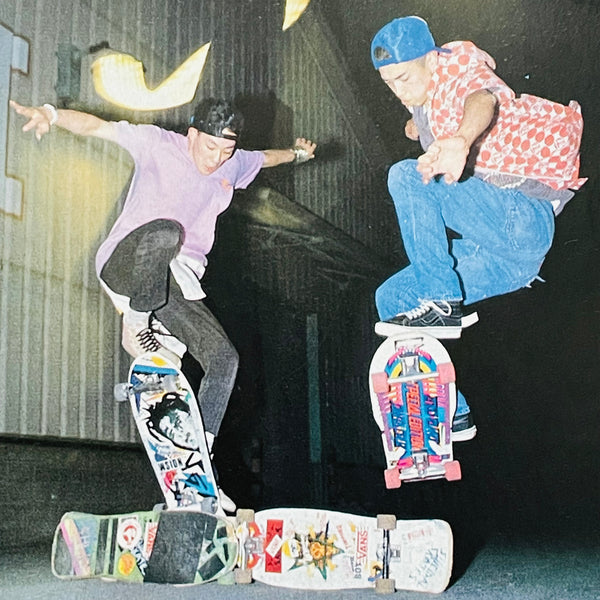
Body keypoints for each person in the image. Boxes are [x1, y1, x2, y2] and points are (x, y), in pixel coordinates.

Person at [11, 98, 316, 511]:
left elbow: (265, 158)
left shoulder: (232, 163)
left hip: (175, 282)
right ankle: (137, 323)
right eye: (210, 147)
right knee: (166, 233)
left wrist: (297, 153)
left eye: (226, 151)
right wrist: (51, 115)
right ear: (192, 135)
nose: (216, 159)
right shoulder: (157, 144)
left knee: (224, 359)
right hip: (128, 262)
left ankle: (200, 460)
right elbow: (98, 127)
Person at [369, 16, 585, 439]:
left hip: (523, 220)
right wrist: (416, 125)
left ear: (431, 59)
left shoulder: (456, 70)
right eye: (389, 84)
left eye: (404, 78)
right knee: (392, 299)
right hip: (509, 263)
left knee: (406, 176)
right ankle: (451, 413)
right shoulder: (423, 97)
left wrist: (462, 139)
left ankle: (443, 301)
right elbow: (422, 112)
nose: (399, 91)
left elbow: (482, 98)